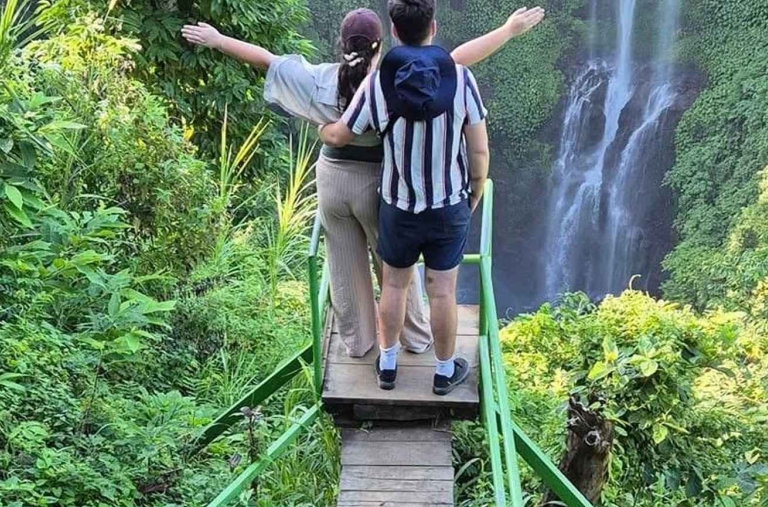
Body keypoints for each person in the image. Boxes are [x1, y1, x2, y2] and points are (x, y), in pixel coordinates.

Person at [181, 7, 541, 359]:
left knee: (343, 262)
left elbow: (268, 61)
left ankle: (358, 343)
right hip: (379, 184)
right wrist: (508, 30)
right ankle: (415, 338)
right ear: (384, 40)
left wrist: (218, 39)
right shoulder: (393, 77)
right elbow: (456, 61)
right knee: (395, 273)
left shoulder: (321, 77)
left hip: (333, 182)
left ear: (343, 43)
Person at [321, 0, 487, 396]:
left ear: (394, 32)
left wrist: (322, 130)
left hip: (398, 205)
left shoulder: (378, 83)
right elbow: (479, 152)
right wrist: (473, 195)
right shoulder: (462, 79)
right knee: (443, 290)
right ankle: (444, 372)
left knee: (394, 286)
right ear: (434, 26)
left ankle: (389, 366)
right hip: (448, 205)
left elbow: (344, 133)